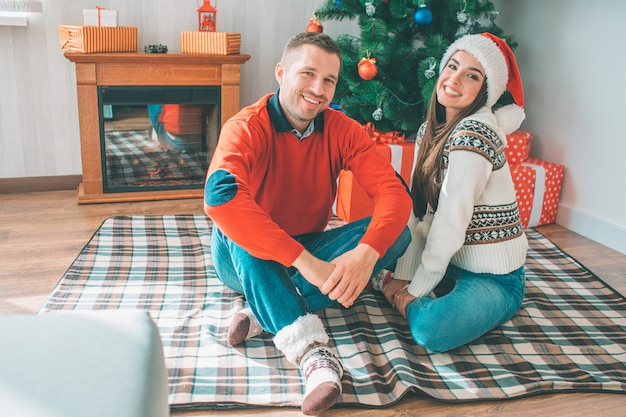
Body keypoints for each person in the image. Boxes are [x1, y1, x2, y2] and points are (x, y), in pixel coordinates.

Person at [203, 32, 412, 415]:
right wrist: (306, 263)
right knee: (244, 225)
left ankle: (263, 311)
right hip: (243, 258)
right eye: (308, 74)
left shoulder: (342, 128)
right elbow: (220, 198)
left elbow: (395, 195)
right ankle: (315, 355)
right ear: (282, 73)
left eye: (329, 80)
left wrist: (367, 254)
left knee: (399, 236)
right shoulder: (246, 127)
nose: (318, 89)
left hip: (308, 244)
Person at [377, 33, 529, 353]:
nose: (454, 79)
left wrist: (413, 291)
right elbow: (420, 210)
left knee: (432, 330)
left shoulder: (474, 134)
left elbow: (450, 220)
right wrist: (404, 277)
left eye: (472, 75)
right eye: (452, 66)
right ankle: (419, 286)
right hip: (452, 263)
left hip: (493, 277)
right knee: (369, 243)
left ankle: (423, 298)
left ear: (484, 92)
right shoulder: (428, 130)